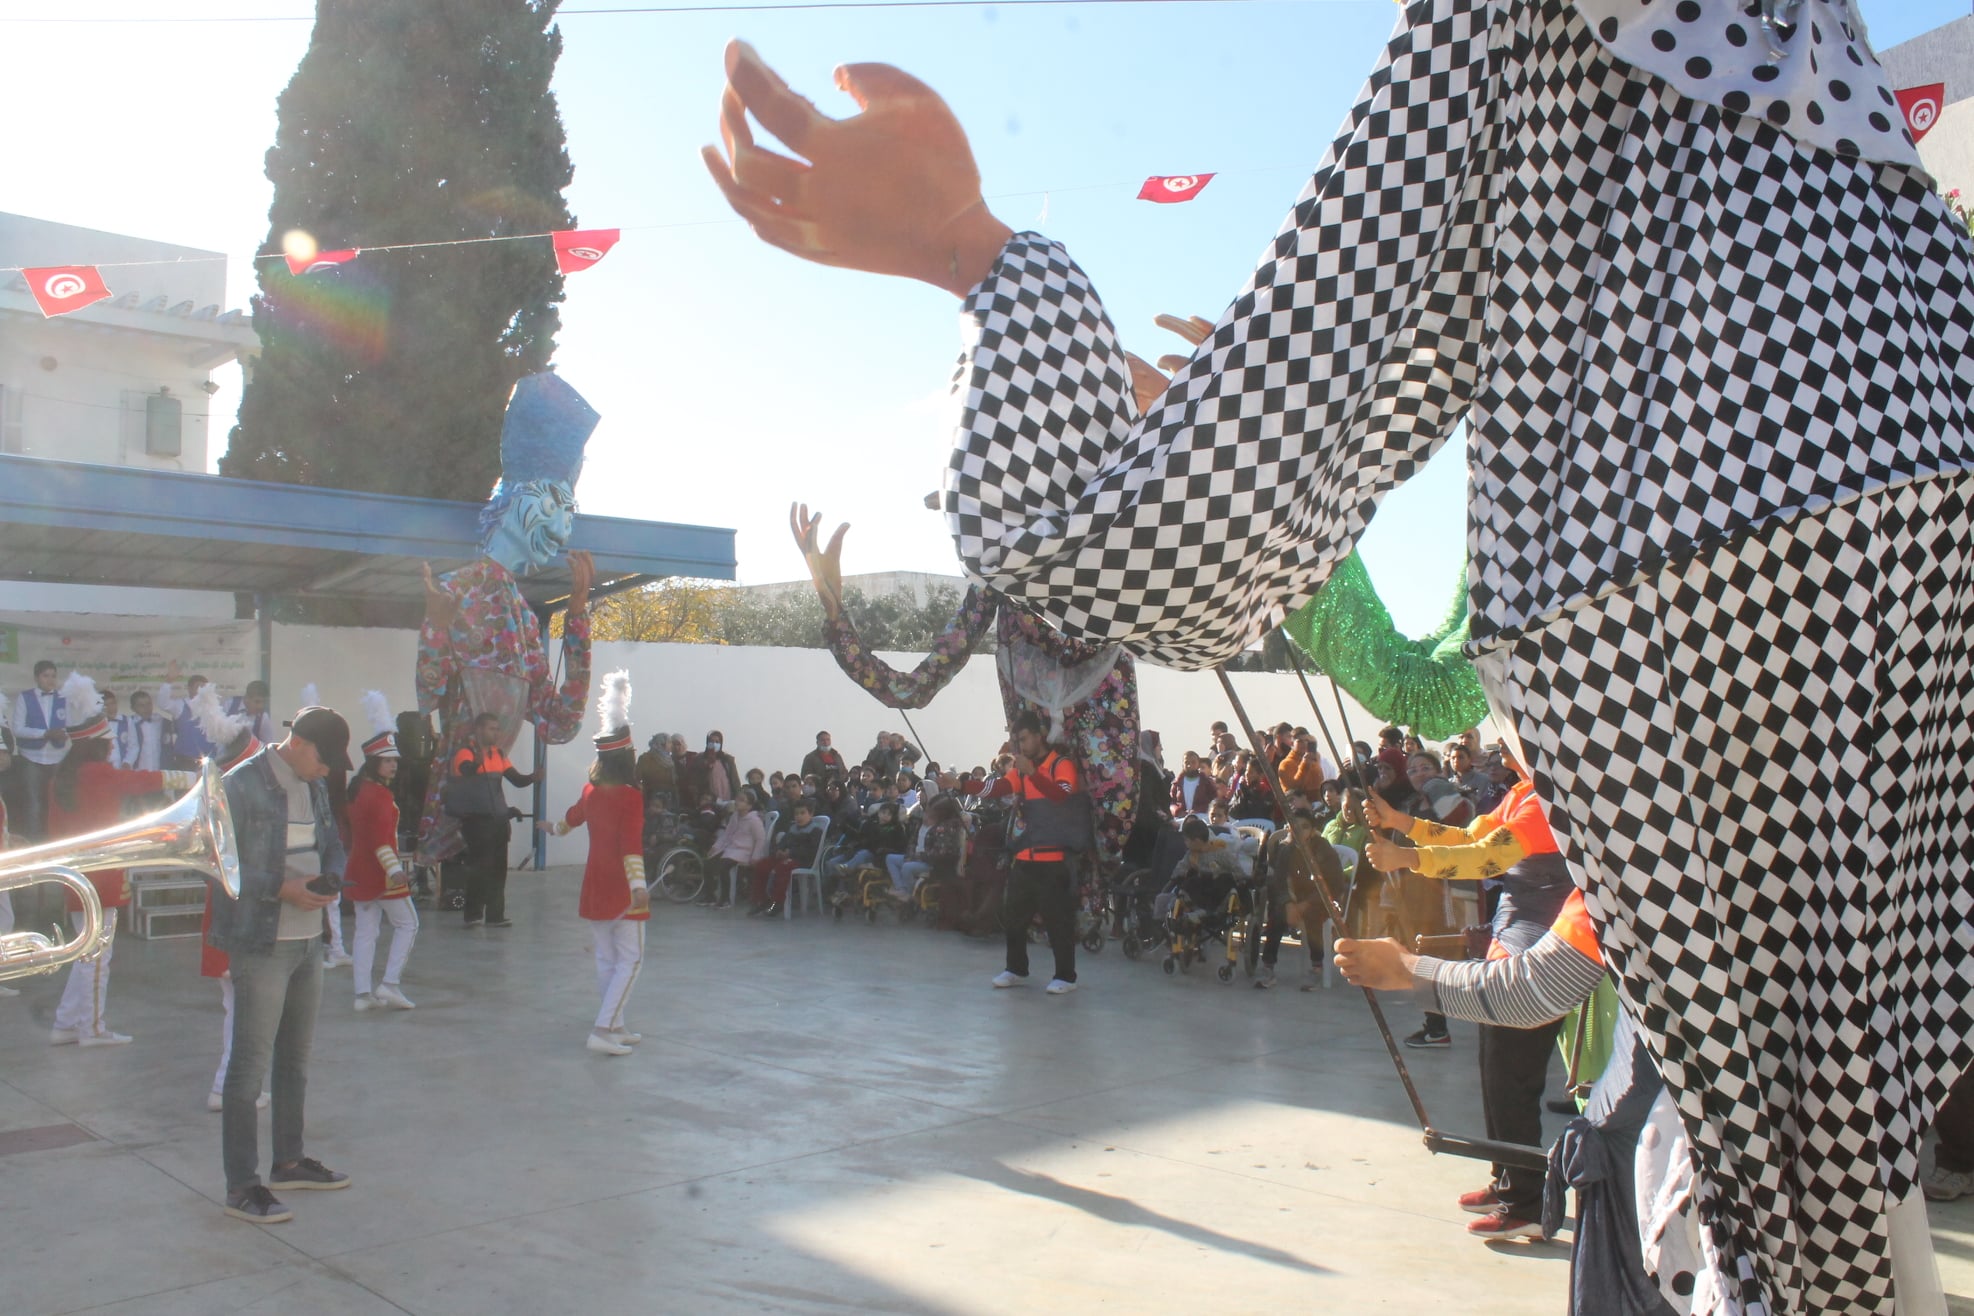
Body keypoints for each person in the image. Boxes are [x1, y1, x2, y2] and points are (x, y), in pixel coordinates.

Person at [1363, 742, 1576, 1241]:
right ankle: (1508, 1178)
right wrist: (1400, 821)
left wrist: (1407, 857)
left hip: (1539, 959)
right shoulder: (1524, 793)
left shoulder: (1547, 803)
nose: (1502, 746)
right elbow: (1467, 836)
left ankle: (1526, 1202)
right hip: (1511, 948)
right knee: (1497, 1074)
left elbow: (1484, 859)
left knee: (1514, 1081)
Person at [415, 372, 596, 876]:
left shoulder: (522, 616)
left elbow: (559, 721)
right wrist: (437, 630)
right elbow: (428, 696)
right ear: (513, 499)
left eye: (569, 513)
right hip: (449, 810)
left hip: (486, 815)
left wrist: (577, 622)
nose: (561, 528)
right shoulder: (456, 589)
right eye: (552, 504)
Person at [211, 702, 353, 1224]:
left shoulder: (314, 784)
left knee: (295, 1059)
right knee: (249, 1067)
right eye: (324, 758)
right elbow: (219, 862)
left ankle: (289, 1161)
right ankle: (242, 1185)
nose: (329, 770)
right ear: (299, 743)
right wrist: (282, 889)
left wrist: (330, 878)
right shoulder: (241, 783)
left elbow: (332, 841)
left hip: (308, 942)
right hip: (262, 943)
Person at [45, 675, 195, 1048]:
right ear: (97, 745)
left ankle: (66, 1023)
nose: (114, 744)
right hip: (99, 877)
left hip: (76, 875)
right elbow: (142, 780)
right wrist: (194, 777)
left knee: (85, 955)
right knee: (98, 957)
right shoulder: (97, 774)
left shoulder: (62, 777)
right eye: (109, 740)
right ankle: (92, 1029)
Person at [541, 672, 648, 1055]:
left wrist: (553, 829)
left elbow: (571, 819)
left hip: (594, 884)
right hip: (621, 885)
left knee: (607, 958)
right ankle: (603, 1029)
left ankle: (614, 1025)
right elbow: (630, 844)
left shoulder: (591, 790)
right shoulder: (630, 796)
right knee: (631, 960)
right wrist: (638, 886)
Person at [193, 689, 272, 1111]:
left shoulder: (222, 798)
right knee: (244, 1013)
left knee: (239, 1009)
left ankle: (232, 1085)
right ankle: (228, 1088)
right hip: (237, 921)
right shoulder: (239, 805)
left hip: (227, 919)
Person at [975, 709, 1086, 995]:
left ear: (1039, 736)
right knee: (1014, 918)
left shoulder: (1061, 764)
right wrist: (962, 785)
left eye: (1024, 739)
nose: (1021, 746)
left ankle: (1066, 976)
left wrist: (1033, 773)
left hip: (1055, 859)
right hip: (1024, 857)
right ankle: (1016, 968)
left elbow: (1060, 796)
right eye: (1018, 742)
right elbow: (997, 787)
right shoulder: (1021, 771)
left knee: (1058, 921)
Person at [347, 693, 417, 1013]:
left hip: (358, 871)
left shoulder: (358, 790)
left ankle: (362, 994)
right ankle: (389, 984)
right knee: (408, 924)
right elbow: (380, 840)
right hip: (382, 874)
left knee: (365, 933)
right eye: (388, 761)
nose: (393, 765)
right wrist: (394, 870)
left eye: (394, 761)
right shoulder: (378, 795)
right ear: (375, 763)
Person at [445, 712, 539, 929]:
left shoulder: (499, 754)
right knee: (479, 870)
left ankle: (496, 916)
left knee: (498, 871)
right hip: (476, 823)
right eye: (491, 729)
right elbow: (465, 771)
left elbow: (517, 780)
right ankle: (473, 915)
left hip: (498, 821)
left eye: (497, 729)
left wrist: (533, 777)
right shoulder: (465, 752)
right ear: (478, 730)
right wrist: (476, 763)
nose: (496, 733)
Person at [1256, 805, 1345, 991]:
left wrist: (1305, 905)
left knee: (1313, 917)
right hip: (1293, 899)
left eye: (1304, 827)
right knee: (1276, 915)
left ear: (1312, 830)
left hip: (1320, 899)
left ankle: (1317, 967)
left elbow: (1333, 884)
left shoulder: (1323, 849)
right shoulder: (1285, 849)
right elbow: (1279, 881)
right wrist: (1288, 904)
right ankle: (1268, 967)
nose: (1299, 831)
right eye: (1295, 826)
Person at [11, 659, 69, 839]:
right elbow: (17, 729)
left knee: (57, 802)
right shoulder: (25, 697)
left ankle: (56, 840)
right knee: (34, 802)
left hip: (57, 757)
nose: (50, 680)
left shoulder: (64, 698)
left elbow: (72, 725)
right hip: (31, 757)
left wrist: (64, 733)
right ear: (36, 678)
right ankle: (35, 843)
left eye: (53, 676)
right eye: (46, 676)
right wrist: (44, 733)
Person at [749, 799, 825, 916]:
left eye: (802, 813)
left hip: (802, 861)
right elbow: (782, 843)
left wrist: (791, 853)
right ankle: (760, 900)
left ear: (811, 814)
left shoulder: (815, 830)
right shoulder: (792, 829)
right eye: (796, 814)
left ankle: (777, 902)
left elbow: (811, 851)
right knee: (762, 865)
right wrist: (778, 851)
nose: (799, 817)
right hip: (786, 857)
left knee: (782, 867)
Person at [698, 791, 768, 908]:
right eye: (737, 799)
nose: (737, 802)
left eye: (742, 800)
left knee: (723, 867)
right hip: (730, 849)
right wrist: (715, 848)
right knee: (708, 864)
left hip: (744, 852)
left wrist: (756, 856)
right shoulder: (735, 817)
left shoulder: (754, 821)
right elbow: (727, 834)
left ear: (749, 806)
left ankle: (725, 899)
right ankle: (710, 896)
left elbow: (760, 839)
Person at [1170, 750, 1216, 821]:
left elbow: (1213, 800)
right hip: (1181, 819)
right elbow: (1171, 802)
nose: (1189, 765)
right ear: (1183, 764)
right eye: (1186, 763)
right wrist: (1178, 812)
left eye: (1193, 762)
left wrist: (1197, 811)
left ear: (1198, 764)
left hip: (1201, 817)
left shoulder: (1206, 782)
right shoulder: (1177, 783)